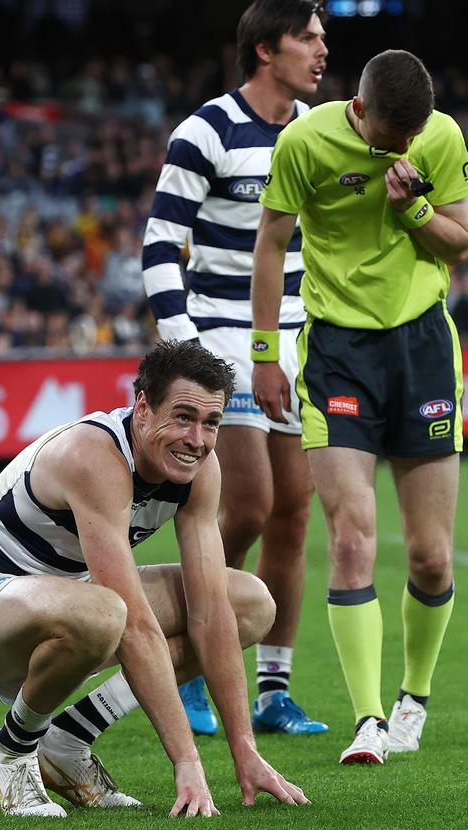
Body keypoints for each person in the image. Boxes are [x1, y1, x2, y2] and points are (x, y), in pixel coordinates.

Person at [0, 340, 310, 817]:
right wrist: (187, 761)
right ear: (143, 407)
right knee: (108, 613)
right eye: (184, 417)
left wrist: (244, 750)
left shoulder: (199, 468)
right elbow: (132, 625)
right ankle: (12, 749)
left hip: (70, 603)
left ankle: (67, 740)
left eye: (211, 423)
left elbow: (209, 612)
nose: (197, 439)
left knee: (248, 603)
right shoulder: (95, 453)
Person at [251, 49, 468, 765]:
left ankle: (413, 698)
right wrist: (260, 355)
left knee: (433, 557)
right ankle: (368, 719)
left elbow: (460, 242)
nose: (405, 147)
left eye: (414, 135)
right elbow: (272, 240)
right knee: (350, 540)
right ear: (361, 109)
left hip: (424, 350)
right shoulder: (304, 142)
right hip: (339, 352)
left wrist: (416, 207)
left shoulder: (440, 135)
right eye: (391, 136)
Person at [142, 0, 329, 736]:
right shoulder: (207, 129)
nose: (321, 50)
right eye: (307, 37)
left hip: (303, 340)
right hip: (223, 337)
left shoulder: (320, 132)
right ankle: (193, 659)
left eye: (322, 37)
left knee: (293, 512)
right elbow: (161, 245)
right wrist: (188, 350)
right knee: (246, 501)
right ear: (263, 50)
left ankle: (274, 690)